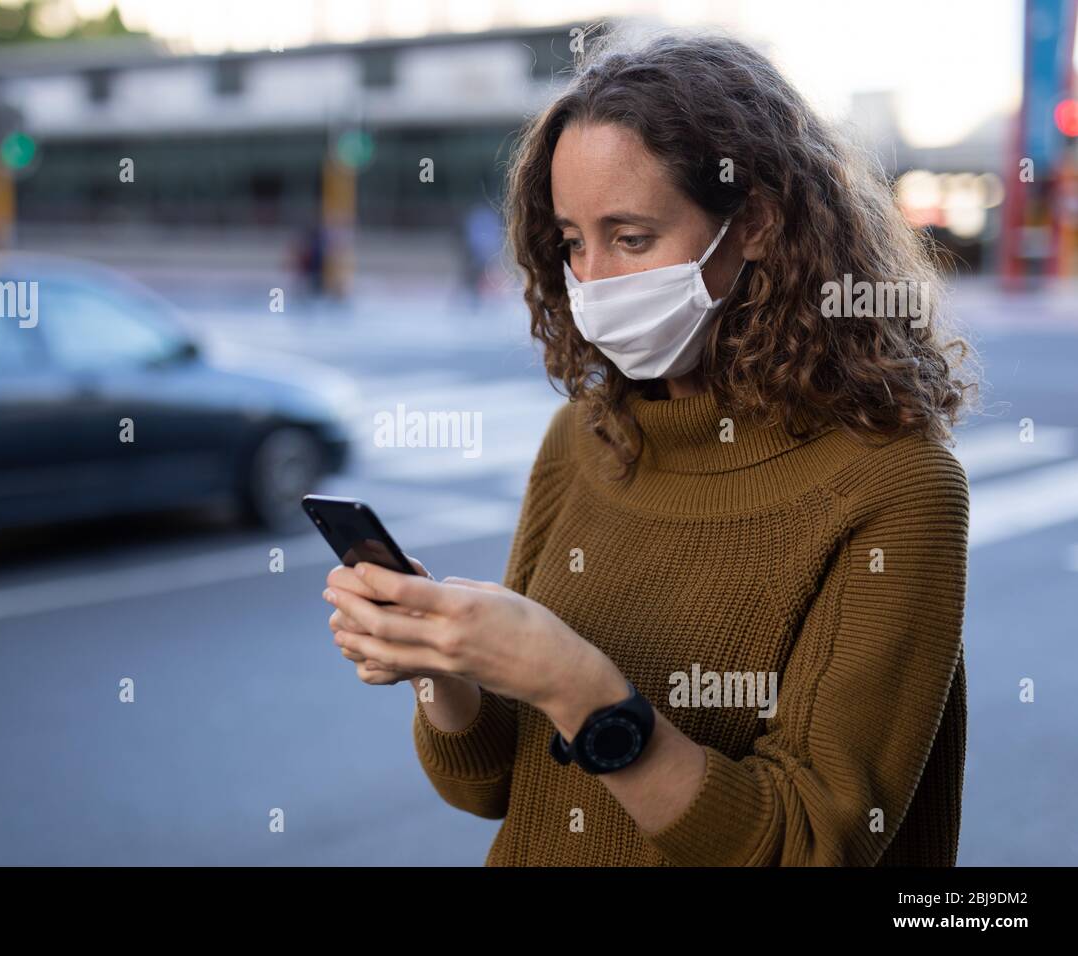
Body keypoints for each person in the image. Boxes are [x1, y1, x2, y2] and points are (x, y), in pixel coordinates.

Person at [321, 32, 976, 866]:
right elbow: (489, 787)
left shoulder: (895, 483)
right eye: (571, 243)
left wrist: (576, 685)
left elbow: (812, 844)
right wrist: (443, 667)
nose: (592, 280)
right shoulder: (584, 439)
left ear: (757, 224)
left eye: (631, 238)